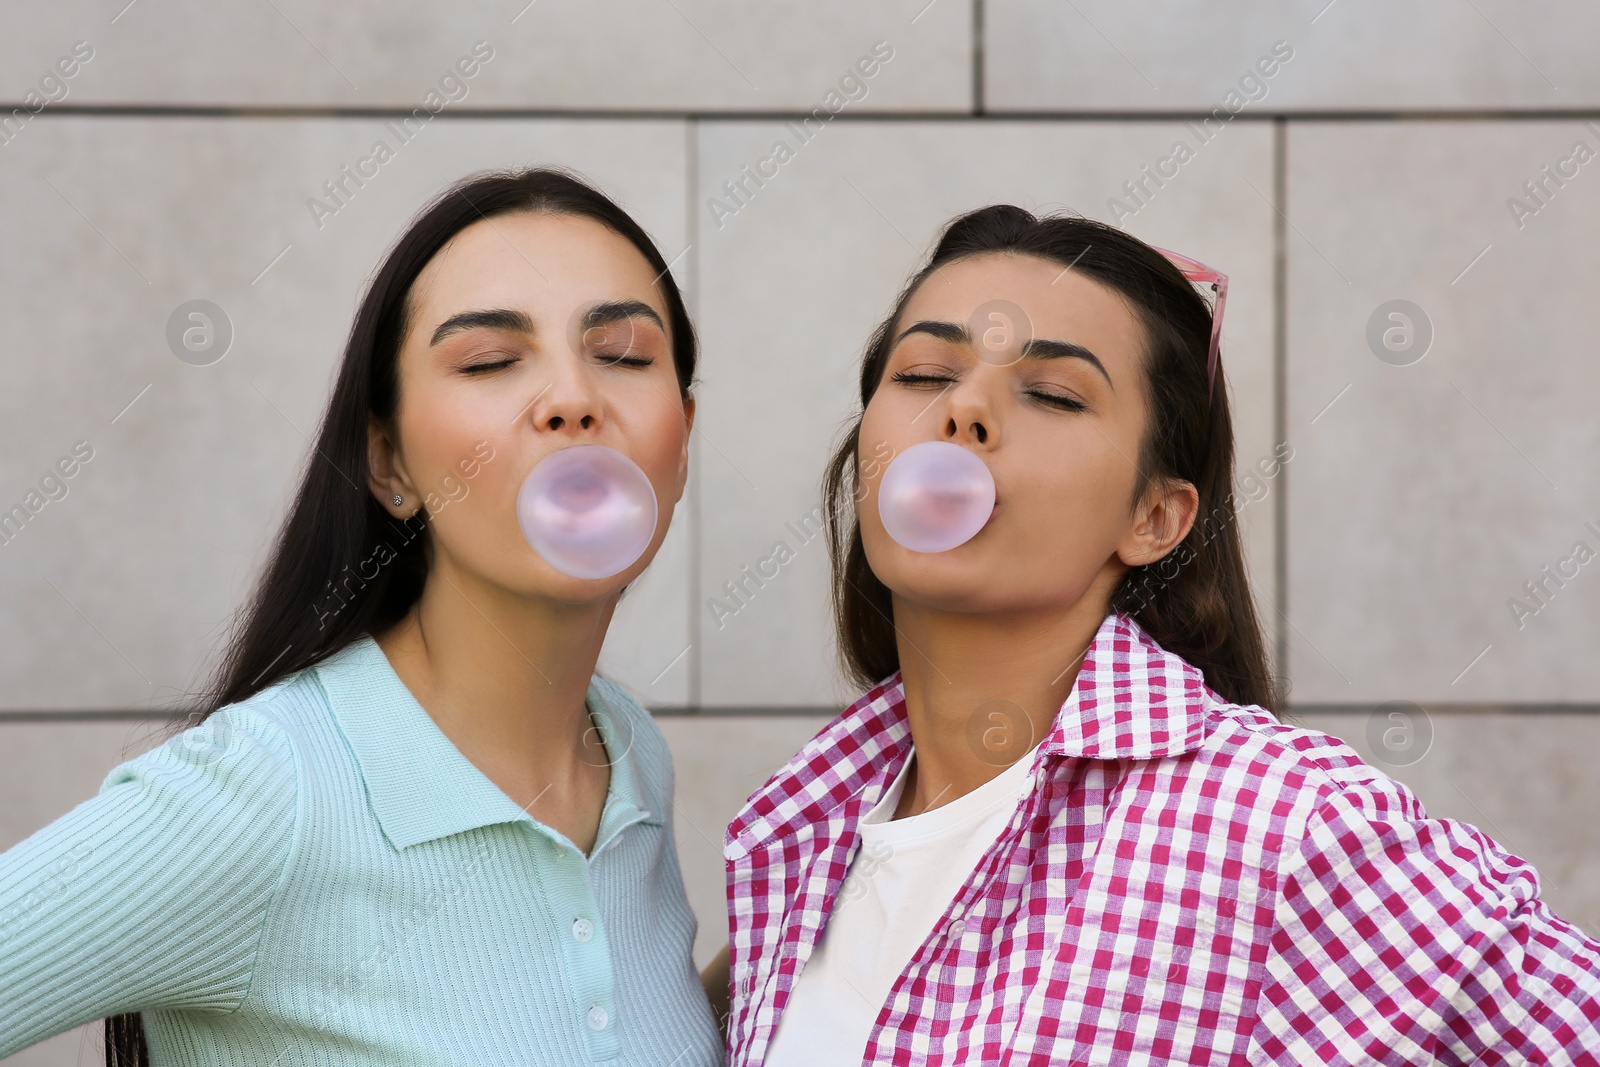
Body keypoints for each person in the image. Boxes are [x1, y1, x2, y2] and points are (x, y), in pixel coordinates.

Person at [711, 205, 1600, 1064]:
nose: (963, 410)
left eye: (1053, 393)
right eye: (921, 375)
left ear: (1155, 516)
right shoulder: (805, 835)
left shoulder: (1286, 828)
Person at [0, 167, 724, 1066]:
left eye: (622, 353)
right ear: (389, 463)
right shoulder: (268, 795)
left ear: (681, 439)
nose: (573, 398)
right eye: (491, 361)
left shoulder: (630, 754)